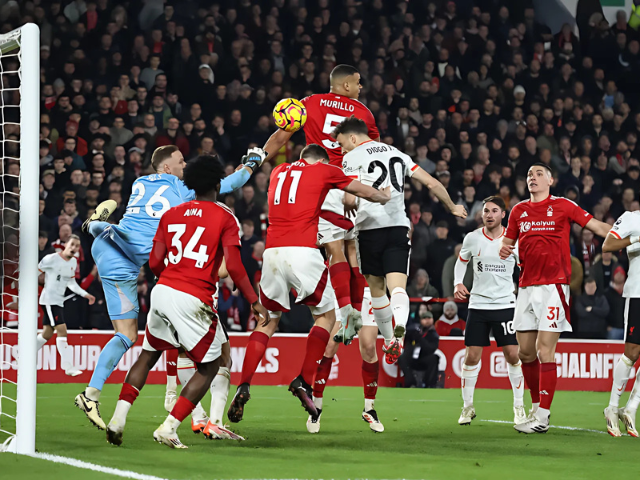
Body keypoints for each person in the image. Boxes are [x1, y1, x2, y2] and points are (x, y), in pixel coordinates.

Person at [74, 144, 261, 430]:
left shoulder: (139, 181)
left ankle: (91, 395)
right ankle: (179, 415)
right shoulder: (182, 189)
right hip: (137, 258)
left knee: (126, 336)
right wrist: (251, 165)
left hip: (110, 253)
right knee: (195, 358)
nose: (185, 165)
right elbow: (227, 183)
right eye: (180, 161)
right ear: (166, 168)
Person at [301, 117, 466, 433]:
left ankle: (369, 408)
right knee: (382, 300)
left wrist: (351, 200)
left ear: (350, 138)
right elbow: (431, 182)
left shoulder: (348, 163)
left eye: (340, 142)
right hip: (391, 235)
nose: (340, 148)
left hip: (367, 244)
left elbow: (349, 202)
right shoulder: (398, 154)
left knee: (366, 342)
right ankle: (316, 408)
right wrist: (452, 207)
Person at [226, 143, 390, 425]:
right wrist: (382, 196)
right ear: (322, 161)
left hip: (272, 253)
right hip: (302, 251)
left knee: (267, 321)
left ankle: (244, 384)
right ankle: (303, 379)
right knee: (327, 316)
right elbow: (361, 191)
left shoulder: (278, 171)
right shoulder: (323, 170)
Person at [262, 64, 379, 344]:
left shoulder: (308, 104)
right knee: (352, 250)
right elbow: (374, 154)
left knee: (333, 248)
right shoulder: (363, 113)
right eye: (358, 83)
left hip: (320, 183)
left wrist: (253, 162)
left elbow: (280, 137)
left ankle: (346, 310)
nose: (361, 87)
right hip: (350, 184)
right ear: (347, 86)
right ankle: (353, 310)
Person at [500, 163, 610, 434]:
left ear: (550, 180)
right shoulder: (518, 211)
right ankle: (536, 408)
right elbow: (507, 243)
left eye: (538, 174)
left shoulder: (563, 205)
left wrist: (627, 233)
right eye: (529, 174)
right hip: (525, 287)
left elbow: (595, 225)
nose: (532, 178)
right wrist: (505, 251)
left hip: (554, 287)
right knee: (525, 352)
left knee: (544, 350)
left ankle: (543, 417)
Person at [453, 196, 526, 427]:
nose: (490, 214)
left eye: (495, 210)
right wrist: (458, 283)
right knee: (472, 356)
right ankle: (467, 407)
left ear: (503, 214)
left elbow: (526, 265)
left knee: (513, 356)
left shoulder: (513, 240)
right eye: (486, 211)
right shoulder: (473, 238)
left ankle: (518, 407)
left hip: (505, 305)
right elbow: (461, 261)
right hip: (478, 305)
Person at [602, 210, 640, 437]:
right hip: (637, 294)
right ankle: (612, 407)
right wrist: (636, 239)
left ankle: (631, 409)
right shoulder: (632, 217)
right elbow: (608, 244)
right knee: (631, 352)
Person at [37, 235, 95, 376]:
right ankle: (68, 366)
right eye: (72, 244)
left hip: (59, 301)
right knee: (62, 330)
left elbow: (70, 283)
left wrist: (85, 294)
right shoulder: (51, 259)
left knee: (47, 333)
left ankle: (23, 356)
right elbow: (35, 272)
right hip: (49, 300)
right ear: (66, 245)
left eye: (77, 246)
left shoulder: (73, 262)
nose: (74, 248)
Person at [398, 310, 440, 388]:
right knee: (402, 358)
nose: (427, 320)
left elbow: (430, 349)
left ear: (432, 320)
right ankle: (411, 382)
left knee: (434, 358)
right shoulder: (413, 330)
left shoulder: (433, 335)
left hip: (423, 358)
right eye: (424, 318)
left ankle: (429, 384)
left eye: (429, 318)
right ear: (421, 320)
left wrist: (420, 339)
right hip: (411, 357)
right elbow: (405, 336)